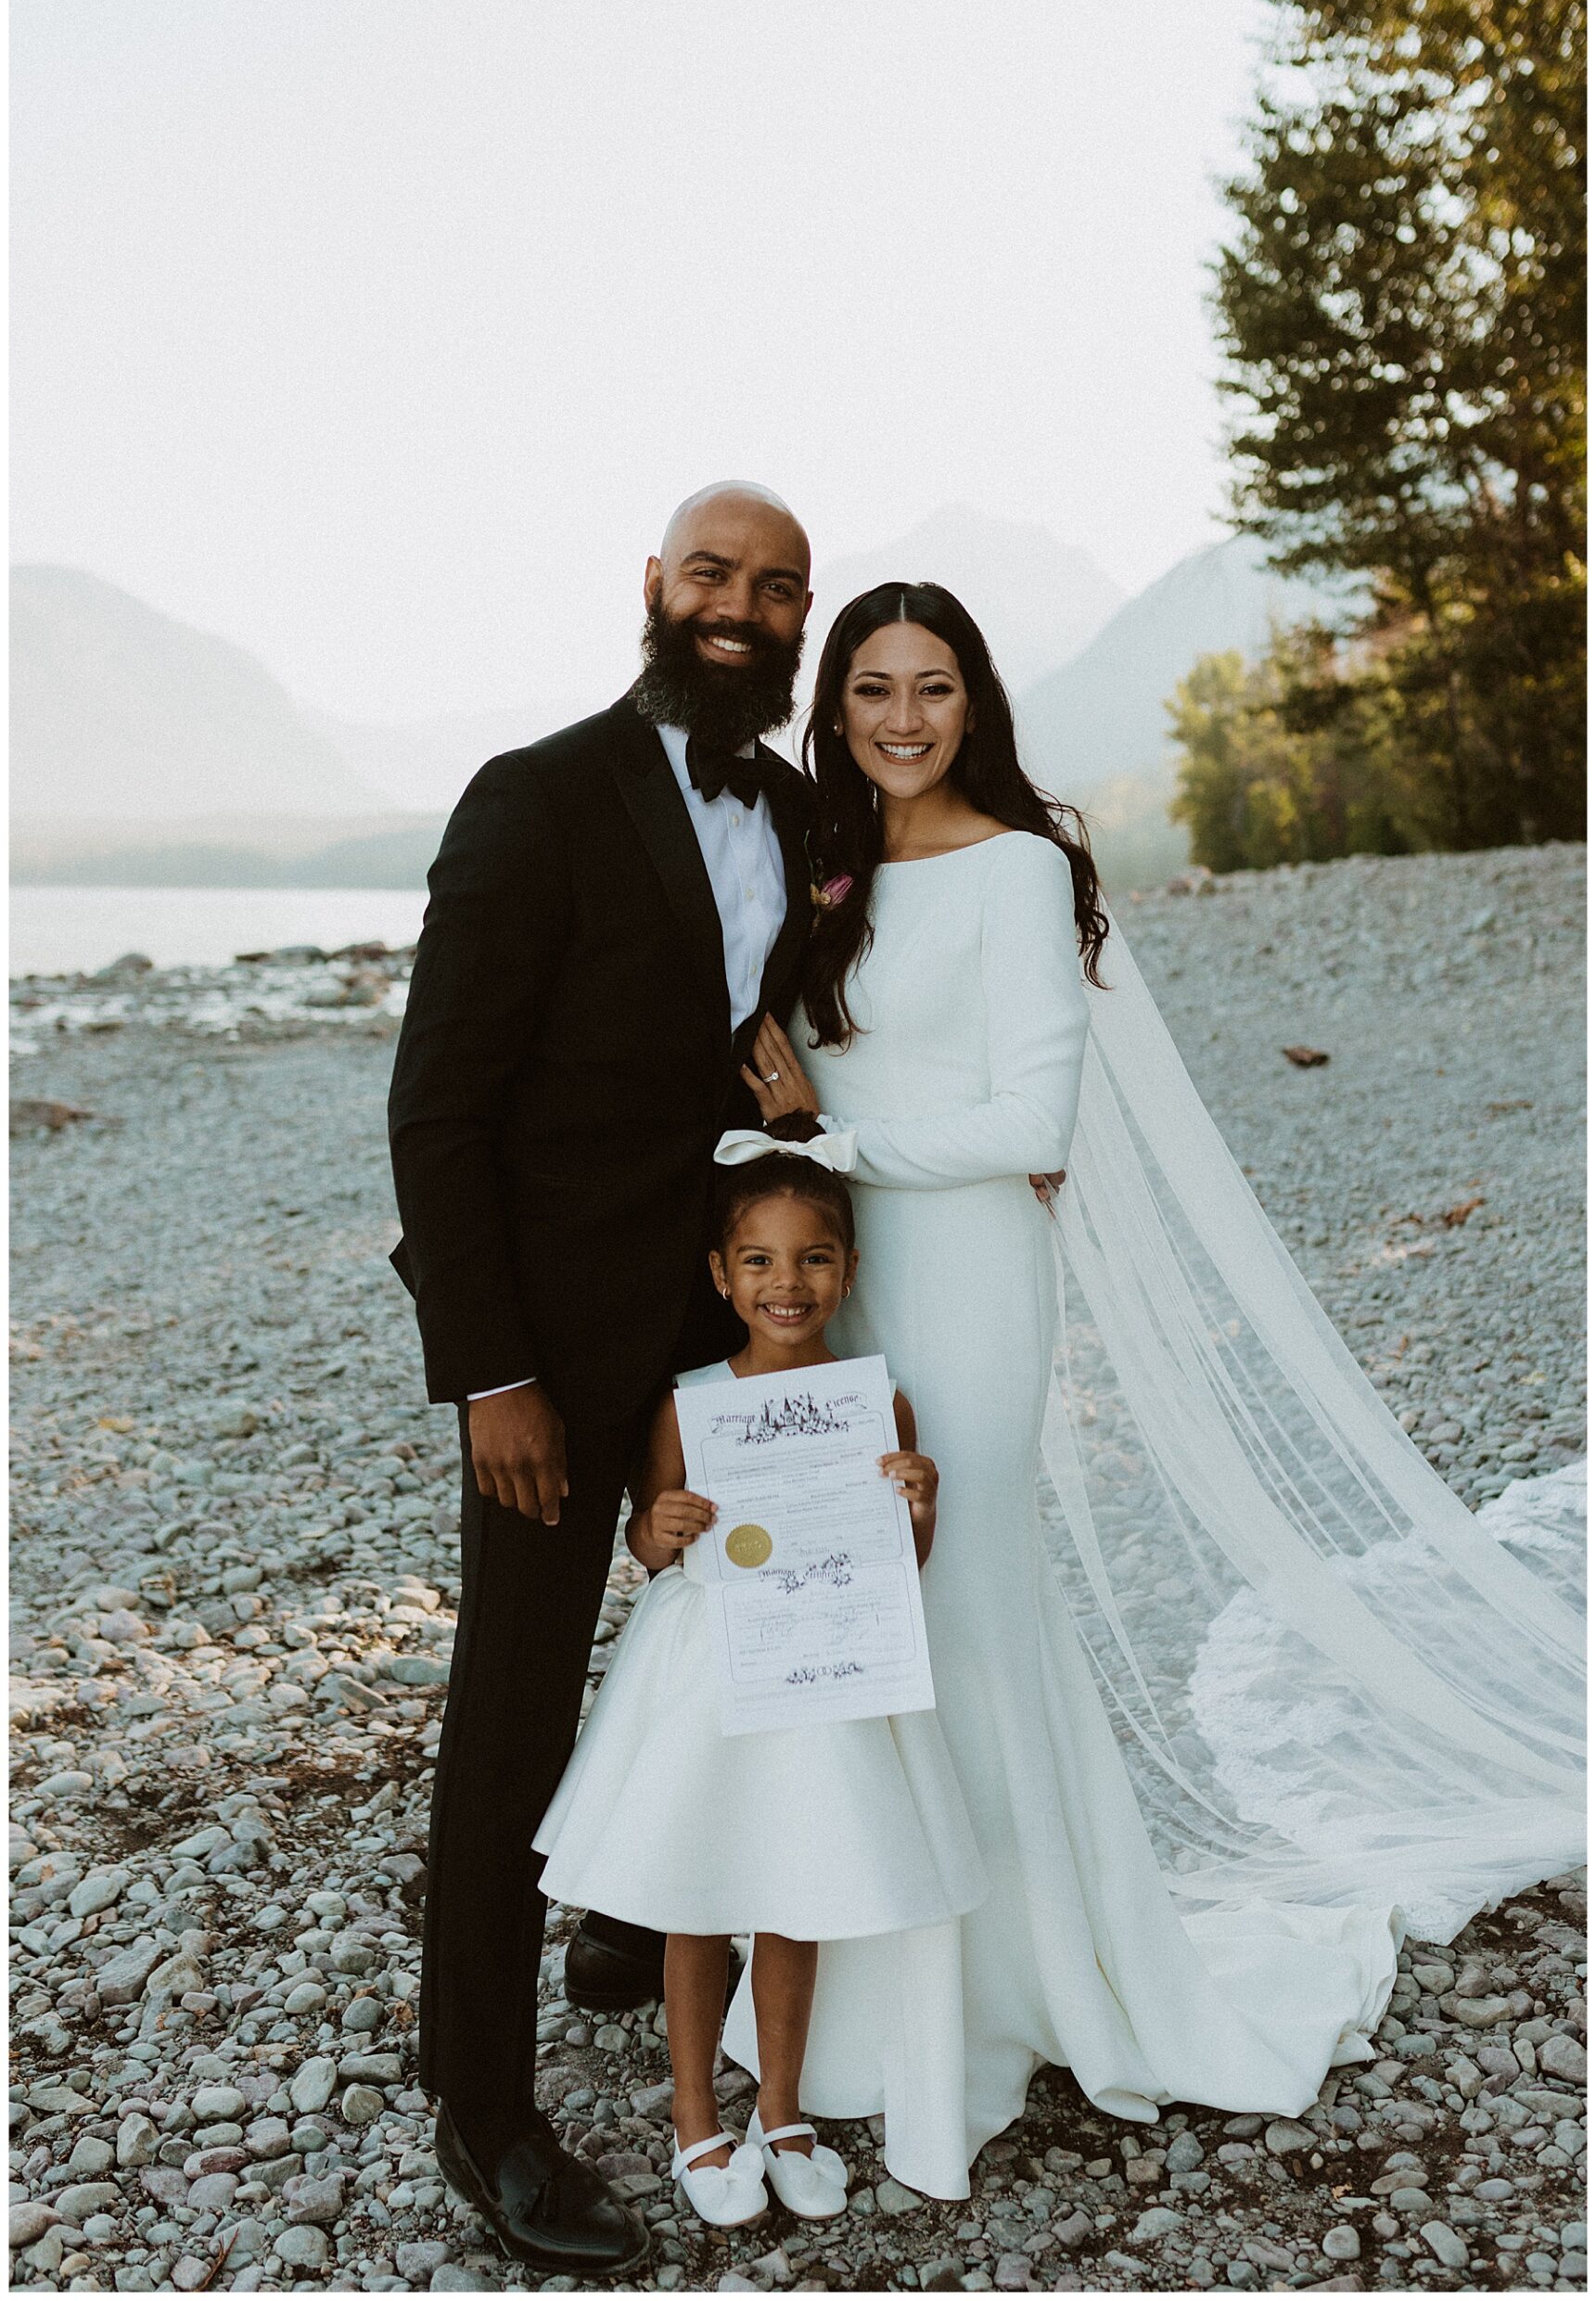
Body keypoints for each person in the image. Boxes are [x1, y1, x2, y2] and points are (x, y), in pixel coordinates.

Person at [728, 579, 1584, 2199]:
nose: (901, 720)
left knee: (964, 1604)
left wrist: (826, 1148)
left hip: (968, 1274)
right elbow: (826, 1054)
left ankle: (1011, 1983)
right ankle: (859, 1990)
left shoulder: (1021, 868)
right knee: (860, 1620)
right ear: (832, 713)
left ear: (971, 701)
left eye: (930, 689)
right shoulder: (825, 873)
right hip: (840, 1288)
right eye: (869, 693)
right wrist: (778, 1099)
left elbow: (1030, 1127)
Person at [387, 482, 817, 2275]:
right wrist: (491, 1372)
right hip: (555, 1353)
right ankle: (480, 2103)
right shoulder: (537, 793)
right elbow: (439, 1105)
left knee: (729, 1640)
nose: (739, 605)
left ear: (800, 617)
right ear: (653, 588)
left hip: (732, 1327)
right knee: (515, 1706)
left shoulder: (797, 809)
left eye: (774, 586)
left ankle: (620, 1929)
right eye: (710, 574)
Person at [534, 1135, 984, 2228]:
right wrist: (659, 1525)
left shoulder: (878, 1403)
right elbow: (651, 1543)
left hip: (822, 1669)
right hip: (711, 1674)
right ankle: (697, 2115)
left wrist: (918, 1505)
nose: (788, 1284)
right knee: (697, 1897)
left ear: (848, 1269)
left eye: (814, 1259)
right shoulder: (690, 1402)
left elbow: (895, 1571)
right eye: (760, 1262)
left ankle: (780, 2106)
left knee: (796, 1893)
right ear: (720, 1275)